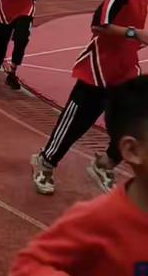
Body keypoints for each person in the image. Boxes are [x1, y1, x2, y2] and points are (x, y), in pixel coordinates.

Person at [31, 0, 148, 196]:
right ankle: (45, 163)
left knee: (134, 122)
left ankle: (104, 164)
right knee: (75, 123)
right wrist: (134, 33)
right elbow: (98, 25)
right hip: (98, 69)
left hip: (126, 67)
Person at [11, 75, 148, 276]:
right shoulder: (101, 220)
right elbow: (28, 265)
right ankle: (46, 162)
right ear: (133, 151)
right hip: (95, 76)